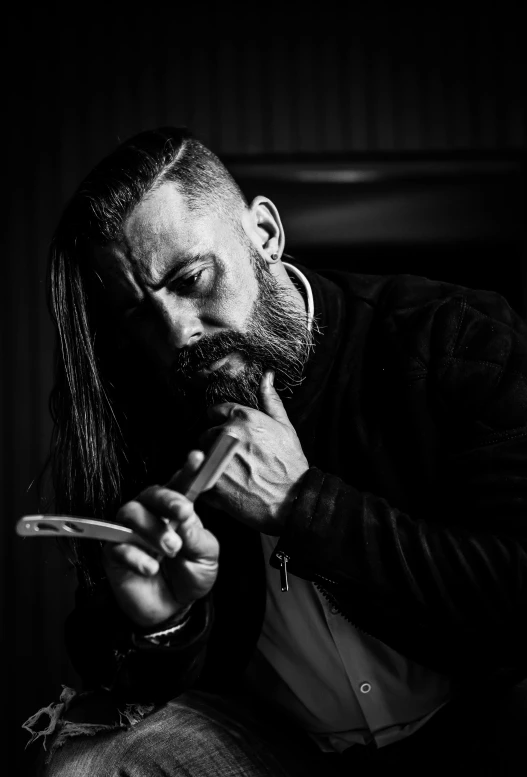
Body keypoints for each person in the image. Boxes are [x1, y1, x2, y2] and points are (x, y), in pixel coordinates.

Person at [26, 127, 527, 776]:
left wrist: (300, 504)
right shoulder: (140, 408)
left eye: (191, 278)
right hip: (279, 747)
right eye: (137, 313)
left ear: (263, 232)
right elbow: (103, 652)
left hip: (479, 720)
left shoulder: (453, 336)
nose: (177, 334)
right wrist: (165, 625)